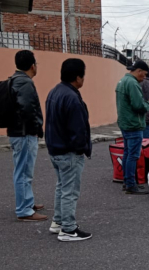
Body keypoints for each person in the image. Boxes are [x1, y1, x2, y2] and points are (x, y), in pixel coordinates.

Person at [45, 58, 92, 241]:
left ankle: (58, 222)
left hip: (55, 149)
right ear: (78, 77)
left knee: (61, 187)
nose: (84, 80)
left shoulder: (55, 91)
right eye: (83, 76)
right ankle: (68, 229)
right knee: (69, 191)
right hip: (68, 151)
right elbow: (78, 129)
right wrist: (81, 148)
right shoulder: (71, 97)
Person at [8, 50, 47, 222]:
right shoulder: (25, 83)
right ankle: (24, 210)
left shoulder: (15, 80)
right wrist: (37, 127)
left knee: (24, 170)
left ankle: (27, 202)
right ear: (32, 66)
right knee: (23, 171)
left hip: (17, 132)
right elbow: (27, 109)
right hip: (24, 133)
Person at [116, 60, 149, 195]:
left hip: (125, 122)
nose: (144, 78)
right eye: (144, 75)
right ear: (138, 71)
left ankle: (127, 182)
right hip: (133, 124)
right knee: (133, 155)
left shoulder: (122, 81)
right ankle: (131, 185)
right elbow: (138, 106)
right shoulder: (133, 83)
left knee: (127, 153)